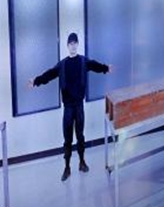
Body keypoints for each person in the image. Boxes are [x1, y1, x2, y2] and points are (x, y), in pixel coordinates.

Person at [32, 32, 111, 181]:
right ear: (67, 46)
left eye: (75, 43)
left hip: (79, 106)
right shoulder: (62, 64)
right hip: (68, 108)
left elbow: (95, 65)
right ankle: (67, 167)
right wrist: (36, 81)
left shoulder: (83, 61)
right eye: (70, 43)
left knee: (80, 136)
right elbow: (49, 74)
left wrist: (106, 68)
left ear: (77, 45)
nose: (73, 45)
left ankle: (82, 162)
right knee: (67, 139)